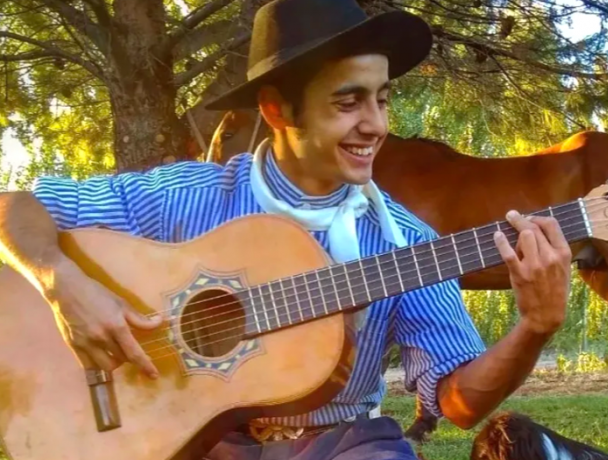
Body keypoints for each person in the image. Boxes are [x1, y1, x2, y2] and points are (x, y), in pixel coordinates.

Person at [0, 0, 572, 458]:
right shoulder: (184, 196)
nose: (375, 125)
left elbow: (455, 401)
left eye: (382, 99)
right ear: (277, 111)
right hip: (185, 440)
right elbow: (13, 205)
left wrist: (534, 328)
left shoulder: (406, 244)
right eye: (348, 103)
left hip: (339, 443)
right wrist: (60, 283)